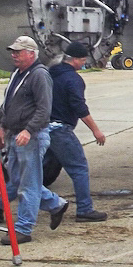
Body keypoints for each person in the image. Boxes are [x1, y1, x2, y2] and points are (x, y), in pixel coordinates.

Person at [0, 35, 69, 244]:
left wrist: (28, 130)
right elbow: (10, 102)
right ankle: (56, 205)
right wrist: (4, 126)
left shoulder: (39, 75)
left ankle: (23, 229)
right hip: (14, 134)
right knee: (18, 180)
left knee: (28, 186)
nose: (14, 55)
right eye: (13, 51)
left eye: (18, 51)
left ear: (31, 54)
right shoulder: (18, 73)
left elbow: (44, 110)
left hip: (31, 137)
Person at [48, 41, 108, 222]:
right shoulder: (73, 79)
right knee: (79, 168)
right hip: (60, 130)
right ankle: (84, 209)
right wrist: (96, 130)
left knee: (34, 170)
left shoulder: (50, 73)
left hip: (42, 128)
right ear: (74, 60)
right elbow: (80, 108)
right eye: (82, 60)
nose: (84, 63)